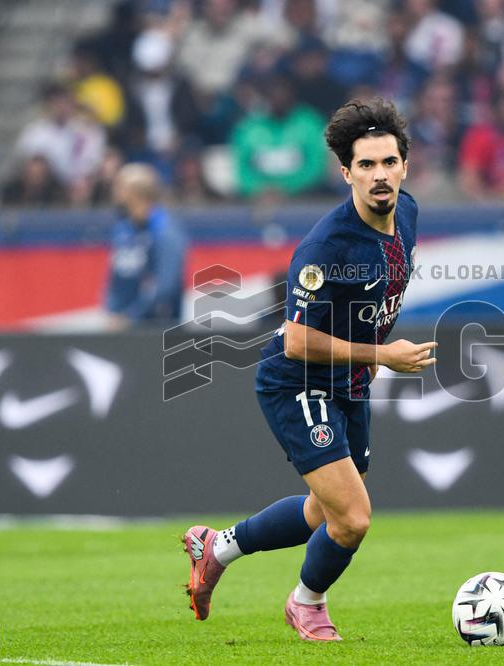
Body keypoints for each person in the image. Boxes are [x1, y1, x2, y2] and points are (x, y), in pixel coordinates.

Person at [182, 98, 436, 640]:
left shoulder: (407, 213)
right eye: (365, 166)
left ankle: (217, 547)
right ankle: (306, 604)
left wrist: (368, 360)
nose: (379, 176)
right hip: (296, 378)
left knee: (326, 511)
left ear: (404, 166)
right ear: (346, 173)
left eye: (388, 162)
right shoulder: (325, 246)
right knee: (353, 518)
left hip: (350, 381)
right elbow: (296, 340)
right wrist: (382, 356)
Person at [104, 163, 187, 328]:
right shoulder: (123, 229)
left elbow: (166, 285)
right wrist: (112, 311)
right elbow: (116, 278)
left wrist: (132, 317)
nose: (114, 193)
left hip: (156, 330)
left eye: (119, 186)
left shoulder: (165, 231)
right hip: (121, 326)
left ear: (136, 192)